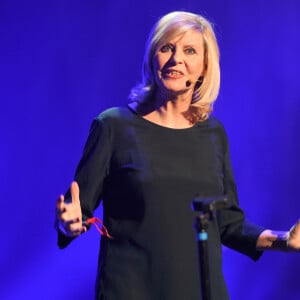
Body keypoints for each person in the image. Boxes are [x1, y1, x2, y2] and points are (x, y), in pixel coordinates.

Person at [55, 11, 300, 300]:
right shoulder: (113, 126)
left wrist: (284, 241)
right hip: (131, 291)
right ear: (152, 57)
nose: (176, 59)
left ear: (204, 67)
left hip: (201, 292)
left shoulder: (213, 134)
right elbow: (76, 211)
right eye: (167, 48)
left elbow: (227, 223)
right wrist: (67, 223)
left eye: (190, 51)